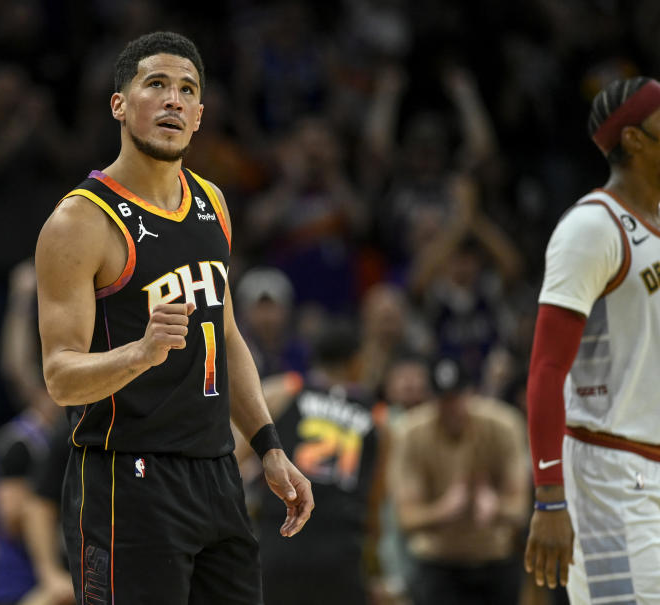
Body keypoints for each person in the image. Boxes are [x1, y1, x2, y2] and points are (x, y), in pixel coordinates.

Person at [35, 31, 313, 604]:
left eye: (187, 90)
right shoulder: (80, 222)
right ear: (119, 104)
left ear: (200, 115)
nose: (173, 100)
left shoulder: (212, 201)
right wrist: (140, 353)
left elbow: (227, 332)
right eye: (156, 84)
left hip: (216, 475)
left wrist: (268, 445)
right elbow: (60, 377)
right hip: (125, 481)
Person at [523, 75, 660, 602]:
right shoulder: (593, 228)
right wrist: (549, 497)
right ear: (634, 138)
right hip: (608, 474)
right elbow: (546, 369)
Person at [256, 325, 386, 605]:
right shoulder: (377, 416)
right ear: (355, 362)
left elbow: (231, 455)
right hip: (340, 548)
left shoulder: (285, 391)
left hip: (281, 537)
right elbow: (376, 502)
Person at [390, 357, 529, 605]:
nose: (452, 407)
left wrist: (496, 507)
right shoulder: (410, 434)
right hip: (438, 563)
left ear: (472, 393)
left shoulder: (504, 426)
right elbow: (405, 518)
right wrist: (443, 510)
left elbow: (520, 509)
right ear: (431, 399)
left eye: (458, 397)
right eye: (444, 400)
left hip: (494, 559)